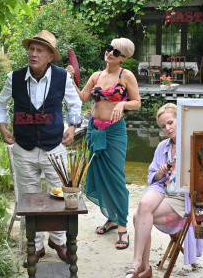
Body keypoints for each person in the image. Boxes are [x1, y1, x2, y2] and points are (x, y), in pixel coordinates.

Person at [0, 30, 82, 267]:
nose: (33, 54)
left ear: (50, 57)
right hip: (23, 148)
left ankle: (58, 241)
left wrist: (73, 128)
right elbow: (1, 104)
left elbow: (75, 104)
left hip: (54, 147)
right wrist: (2, 127)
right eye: (31, 49)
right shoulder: (14, 77)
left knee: (59, 195)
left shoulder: (62, 77)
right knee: (30, 198)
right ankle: (37, 246)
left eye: (39, 50)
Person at [67, 38, 141, 249]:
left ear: (123, 58)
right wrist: (72, 80)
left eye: (116, 52)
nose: (110, 53)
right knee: (100, 174)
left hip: (114, 132)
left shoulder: (126, 76)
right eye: (109, 48)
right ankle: (111, 218)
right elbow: (82, 98)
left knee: (116, 177)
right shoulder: (96, 76)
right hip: (94, 130)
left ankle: (123, 226)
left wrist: (123, 103)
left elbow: (137, 102)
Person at [125, 103, 203, 278]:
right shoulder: (163, 147)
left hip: (182, 199)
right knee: (144, 204)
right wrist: (160, 173)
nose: (167, 128)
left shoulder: (194, 144)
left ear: (181, 119)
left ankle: (144, 267)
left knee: (139, 218)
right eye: (163, 126)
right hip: (163, 189)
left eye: (170, 122)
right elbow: (152, 176)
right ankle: (139, 263)